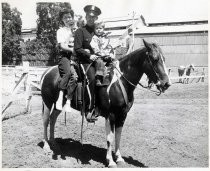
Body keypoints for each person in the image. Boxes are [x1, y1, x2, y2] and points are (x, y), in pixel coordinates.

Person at [74, 5, 102, 121]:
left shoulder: (98, 30)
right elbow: (77, 48)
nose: (91, 19)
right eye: (89, 16)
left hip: (99, 60)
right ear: (86, 16)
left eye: (94, 17)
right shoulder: (80, 31)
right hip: (85, 62)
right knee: (92, 79)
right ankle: (89, 109)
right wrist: (89, 55)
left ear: (96, 18)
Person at [56, 9, 78, 112]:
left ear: (72, 18)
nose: (68, 19)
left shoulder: (77, 29)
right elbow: (62, 46)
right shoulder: (61, 31)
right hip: (65, 56)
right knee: (69, 73)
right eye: (65, 18)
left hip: (77, 56)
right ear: (62, 20)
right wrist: (72, 50)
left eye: (69, 17)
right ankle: (61, 98)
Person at [90, 21, 114, 86]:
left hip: (107, 55)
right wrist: (101, 54)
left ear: (103, 29)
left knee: (114, 62)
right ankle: (99, 78)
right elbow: (94, 47)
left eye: (100, 28)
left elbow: (109, 46)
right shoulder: (94, 38)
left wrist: (110, 53)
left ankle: (114, 76)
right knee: (99, 62)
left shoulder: (106, 38)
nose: (98, 30)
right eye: (96, 28)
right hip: (99, 55)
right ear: (94, 30)